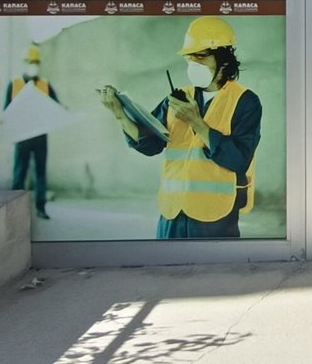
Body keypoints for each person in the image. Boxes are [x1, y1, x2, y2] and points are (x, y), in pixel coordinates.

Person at [101, 16, 261, 239]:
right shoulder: (178, 98)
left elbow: (238, 159)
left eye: (201, 56)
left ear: (224, 60)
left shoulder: (245, 101)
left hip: (215, 214)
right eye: (189, 58)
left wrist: (196, 122)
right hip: (172, 212)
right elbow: (151, 144)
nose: (194, 64)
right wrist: (120, 115)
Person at [6, 44, 58, 219]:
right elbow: (6, 112)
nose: (34, 65)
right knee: (19, 174)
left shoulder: (45, 85)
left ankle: (41, 208)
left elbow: (57, 107)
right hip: (22, 136)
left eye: (36, 62)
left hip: (40, 136)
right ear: (25, 62)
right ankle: (14, 211)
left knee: (40, 173)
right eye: (31, 61)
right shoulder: (14, 85)